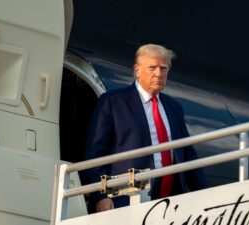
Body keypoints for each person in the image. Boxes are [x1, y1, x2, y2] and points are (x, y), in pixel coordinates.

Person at [84, 44, 208, 213]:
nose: (158, 73)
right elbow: (94, 155)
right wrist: (100, 196)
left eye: (163, 68)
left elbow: (187, 154)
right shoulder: (113, 102)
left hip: (170, 202)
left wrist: (207, 196)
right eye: (152, 68)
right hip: (126, 200)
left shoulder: (174, 107)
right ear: (137, 70)